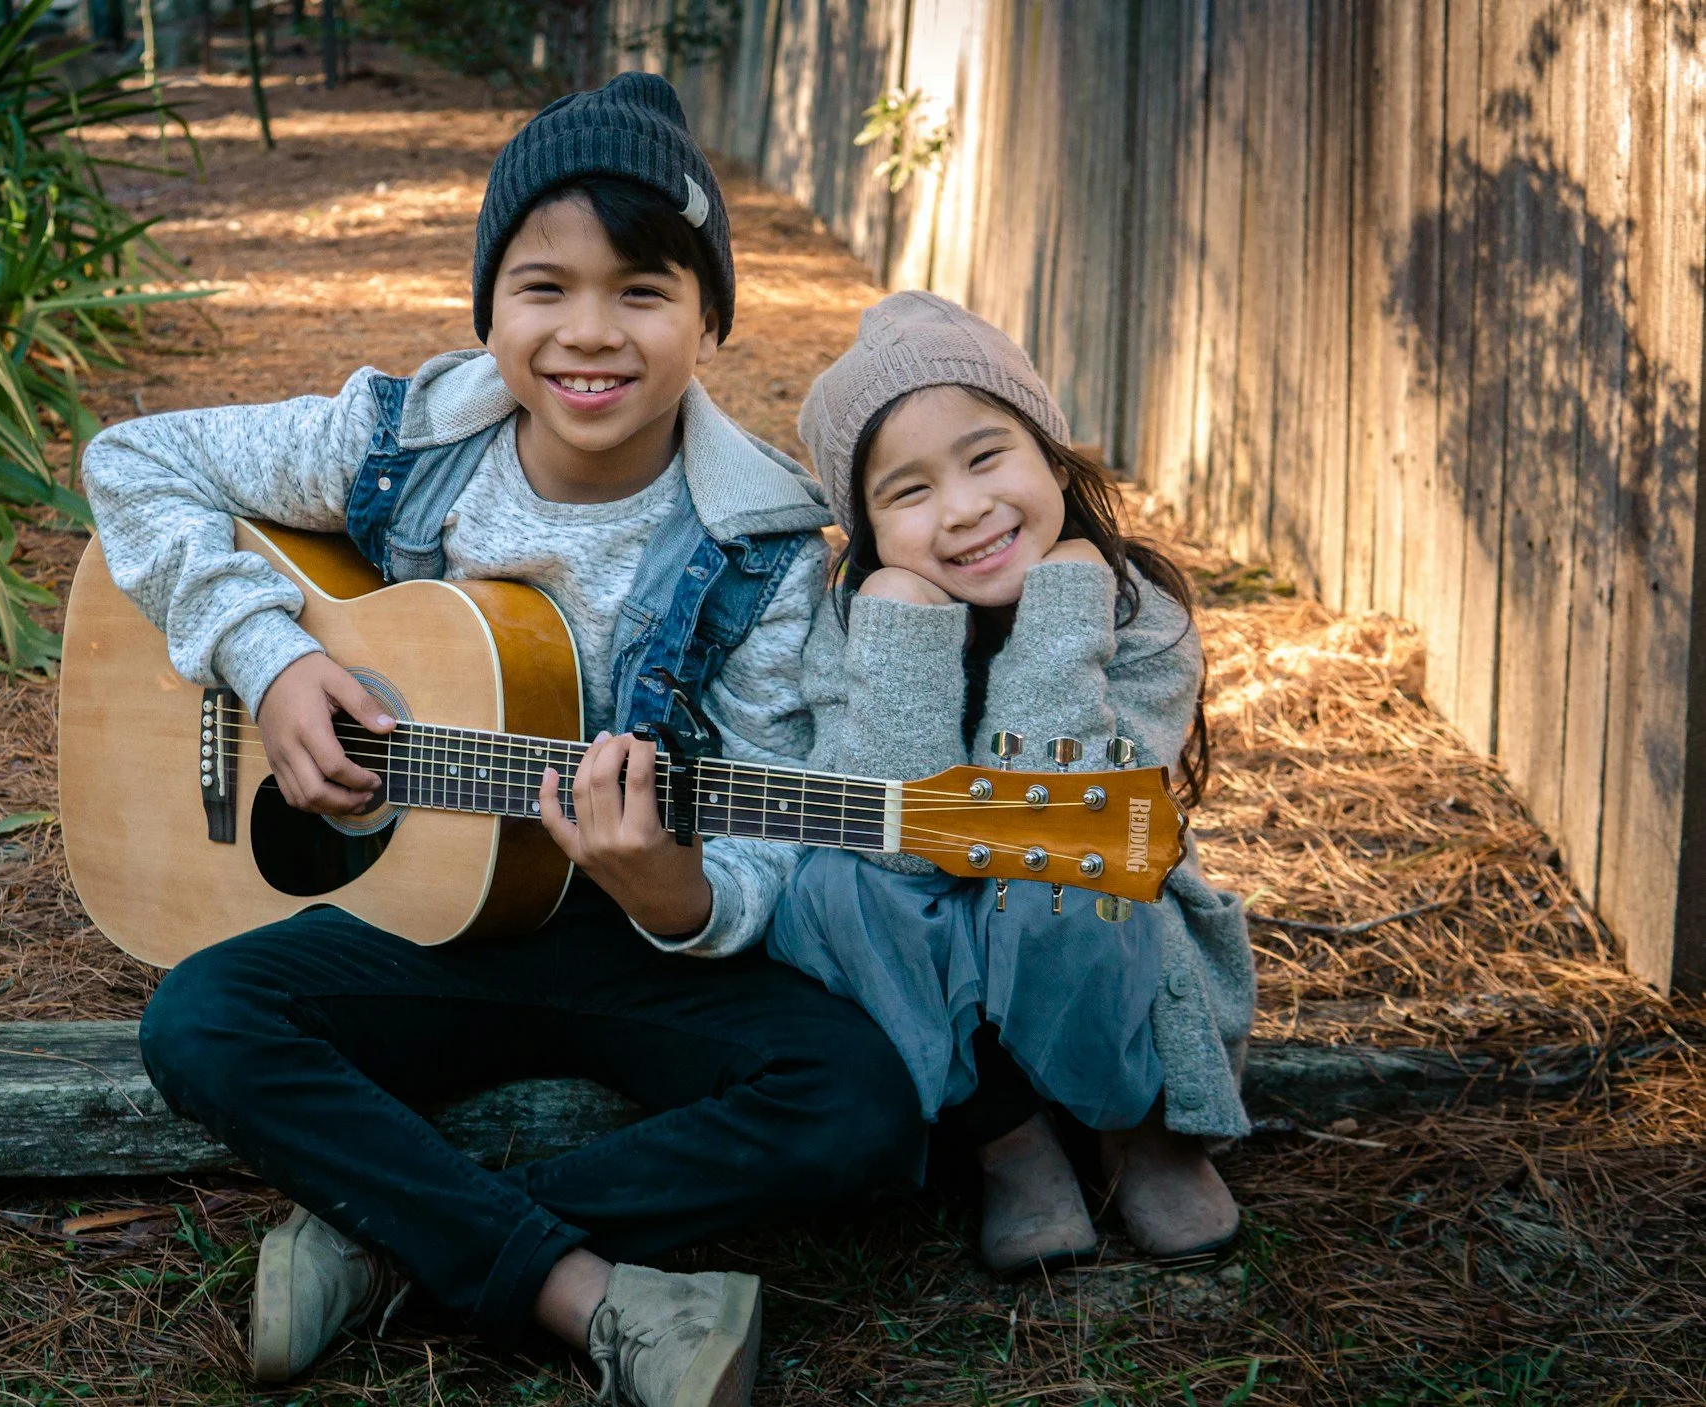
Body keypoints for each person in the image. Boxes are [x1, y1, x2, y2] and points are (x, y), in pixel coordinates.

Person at [81, 74, 924, 1403]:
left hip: (615, 940)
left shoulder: (764, 554)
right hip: (415, 923)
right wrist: (274, 654)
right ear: (490, 307)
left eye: (644, 289)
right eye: (545, 287)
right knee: (201, 1020)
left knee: (863, 1103)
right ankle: (582, 1292)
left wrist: (680, 891)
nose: (592, 333)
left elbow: (773, 819)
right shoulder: (401, 442)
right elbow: (133, 461)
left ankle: (385, 1242)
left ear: (709, 313)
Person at [772, 291, 1255, 1275]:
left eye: (986, 457)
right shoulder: (851, 629)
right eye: (906, 492)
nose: (962, 509)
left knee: (1056, 864)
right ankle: (1010, 1142)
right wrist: (902, 625)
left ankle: (1137, 1131)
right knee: (828, 884)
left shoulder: (1135, 614)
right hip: (943, 957)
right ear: (862, 532)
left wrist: (1063, 610)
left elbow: (1079, 820)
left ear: (1051, 457)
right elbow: (888, 833)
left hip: (1101, 944)